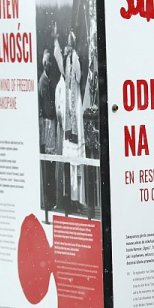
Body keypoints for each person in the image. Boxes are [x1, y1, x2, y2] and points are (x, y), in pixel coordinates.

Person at [54, 27, 86, 213]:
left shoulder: (74, 61)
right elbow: (61, 62)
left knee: (78, 163)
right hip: (70, 112)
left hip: (74, 111)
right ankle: (72, 199)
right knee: (71, 163)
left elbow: (78, 78)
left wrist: (75, 62)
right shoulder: (67, 66)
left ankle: (77, 199)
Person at [38, 50, 57, 212]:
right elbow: (47, 107)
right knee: (48, 164)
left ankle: (51, 199)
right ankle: (48, 200)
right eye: (47, 61)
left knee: (51, 164)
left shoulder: (48, 79)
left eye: (50, 61)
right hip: (48, 124)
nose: (49, 64)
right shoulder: (43, 81)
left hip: (51, 123)